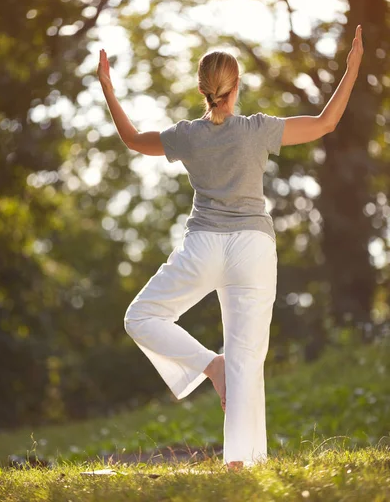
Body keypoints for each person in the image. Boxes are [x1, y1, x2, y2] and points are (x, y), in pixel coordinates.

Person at [97, 25, 363, 471]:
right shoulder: (257, 130)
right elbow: (325, 123)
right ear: (235, 86)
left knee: (141, 317)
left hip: (203, 245)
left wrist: (108, 88)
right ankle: (241, 462)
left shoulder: (186, 135)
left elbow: (130, 139)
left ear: (202, 89)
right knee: (246, 358)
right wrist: (351, 69)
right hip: (253, 249)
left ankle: (210, 369)